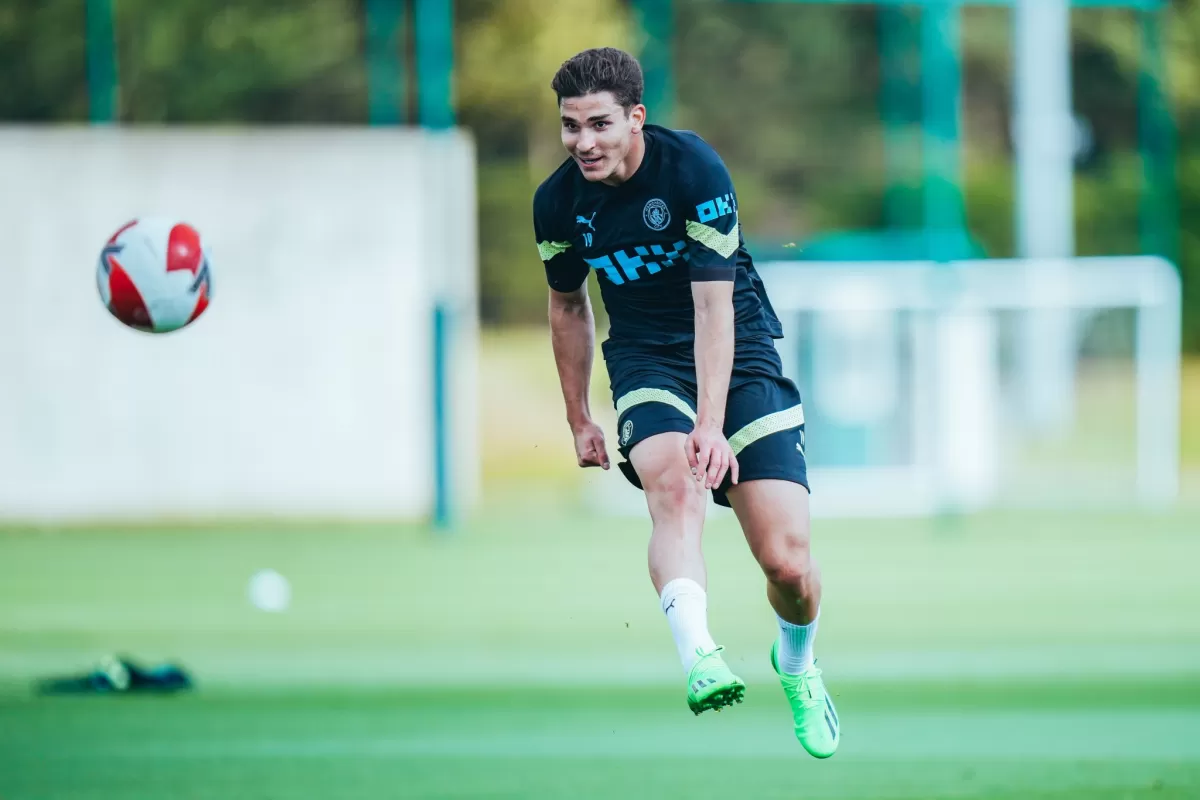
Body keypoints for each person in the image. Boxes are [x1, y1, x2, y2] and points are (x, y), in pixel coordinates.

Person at [532, 47, 839, 759]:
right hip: (645, 358)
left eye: (600, 124)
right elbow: (568, 306)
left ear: (636, 117)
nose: (584, 143)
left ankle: (798, 665)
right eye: (571, 126)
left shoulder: (693, 170)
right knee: (673, 485)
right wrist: (579, 417)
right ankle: (699, 654)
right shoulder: (558, 202)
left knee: (789, 563)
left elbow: (713, 307)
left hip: (740, 350)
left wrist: (711, 424)